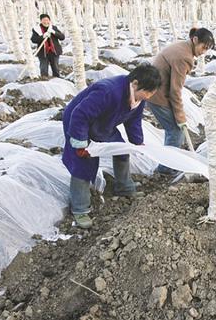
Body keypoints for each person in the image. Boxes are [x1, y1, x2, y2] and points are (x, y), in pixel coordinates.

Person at [62, 64, 162, 228]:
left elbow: (134, 121)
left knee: (121, 150)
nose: (149, 96)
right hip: (79, 123)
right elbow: (80, 114)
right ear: (135, 83)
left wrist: (137, 142)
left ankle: (123, 186)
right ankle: (80, 210)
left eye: (152, 93)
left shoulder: (139, 98)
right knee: (83, 164)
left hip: (104, 123)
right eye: (148, 92)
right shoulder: (108, 91)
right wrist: (80, 143)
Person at [147, 27, 215, 177]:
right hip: (157, 95)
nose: (204, 52)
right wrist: (180, 116)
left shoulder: (183, 47)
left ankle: (167, 163)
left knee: (173, 131)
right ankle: (165, 169)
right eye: (203, 47)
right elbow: (175, 91)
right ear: (195, 40)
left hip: (156, 90)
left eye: (207, 49)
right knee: (176, 132)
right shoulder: (184, 57)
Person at [31, 14, 65, 78]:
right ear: (41, 21)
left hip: (54, 51)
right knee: (43, 68)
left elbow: (62, 37)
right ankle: (44, 79)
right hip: (43, 52)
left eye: (47, 20)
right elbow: (33, 39)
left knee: (55, 68)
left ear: (49, 20)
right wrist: (42, 36)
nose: (46, 22)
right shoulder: (37, 29)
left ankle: (57, 80)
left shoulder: (53, 28)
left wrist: (54, 32)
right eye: (44, 20)